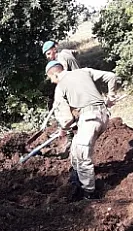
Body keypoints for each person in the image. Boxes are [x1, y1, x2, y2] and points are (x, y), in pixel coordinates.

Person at [46, 61, 119, 200]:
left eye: (51, 78)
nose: (52, 81)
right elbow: (111, 76)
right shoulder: (84, 71)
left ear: (55, 73)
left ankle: (89, 194)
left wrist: (63, 128)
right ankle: (76, 180)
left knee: (83, 156)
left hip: (90, 120)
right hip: (103, 116)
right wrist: (111, 96)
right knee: (74, 149)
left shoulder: (60, 87)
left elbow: (66, 119)